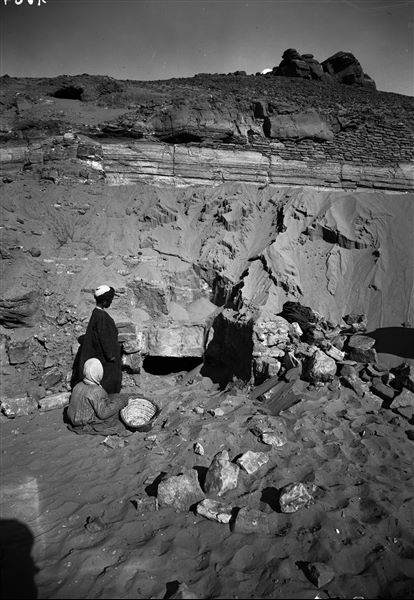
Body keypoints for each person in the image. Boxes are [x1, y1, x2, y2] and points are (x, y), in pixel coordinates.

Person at [78, 285, 122, 394]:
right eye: (110, 300)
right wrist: (111, 355)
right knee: (109, 382)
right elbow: (104, 338)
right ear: (104, 302)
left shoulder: (96, 313)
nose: (111, 302)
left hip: (102, 356)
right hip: (105, 359)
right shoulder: (102, 317)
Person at [67, 358, 128, 435]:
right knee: (117, 421)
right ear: (98, 372)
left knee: (111, 400)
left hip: (74, 419)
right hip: (84, 422)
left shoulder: (78, 385)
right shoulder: (96, 391)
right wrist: (121, 402)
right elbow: (103, 414)